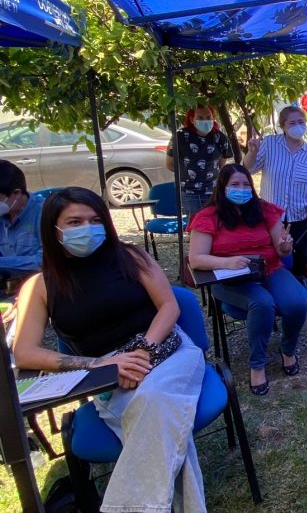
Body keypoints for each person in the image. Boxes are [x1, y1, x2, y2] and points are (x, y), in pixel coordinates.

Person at [13, 187, 206, 511]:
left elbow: (169, 307)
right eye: (74, 221)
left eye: (94, 219)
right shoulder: (40, 286)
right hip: (108, 374)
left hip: (169, 352)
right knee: (163, 422)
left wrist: (144, 350)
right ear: (54, 229)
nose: (86, 228)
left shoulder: (132, 257)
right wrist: (98, 365)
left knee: (154, 399)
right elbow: (25, 352)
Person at [188, 164, 307, 395]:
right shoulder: (208, 216)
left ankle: (288, 350)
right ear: (222, 188)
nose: (241, 189)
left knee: (297, 302)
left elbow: (281, 250)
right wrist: (227, 262)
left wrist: (285, 246)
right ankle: (257, 366)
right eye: (235, 185)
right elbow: (196, 260)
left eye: (246, 184)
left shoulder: (264, 210)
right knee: (262, 303)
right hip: (229, 278)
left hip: (269, 269)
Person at [243, 105, 307, 279]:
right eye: (292, 122)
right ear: (283, 125)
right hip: (271, 219)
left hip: (299, 220)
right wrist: (252, 152)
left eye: (301, 122)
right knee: (272, 264)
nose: (297, 126)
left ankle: (302, 301)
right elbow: (248, 169)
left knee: (299, 266)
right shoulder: (270, 144)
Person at [166, 104, 233, 218]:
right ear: (192, 119)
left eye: (208, 117)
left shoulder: (220, 138)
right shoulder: (180, 137)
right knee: (196, 228)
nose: (205, 121)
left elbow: (221, 164)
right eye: (200, 118)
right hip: (190, 194)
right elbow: (170, 164)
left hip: (214, 192)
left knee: (215, 226)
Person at [0, 160, 44, 281]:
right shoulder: (3, 214)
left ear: (16, 193)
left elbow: (43, 262)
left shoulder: (44, 213)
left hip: (39, 285)